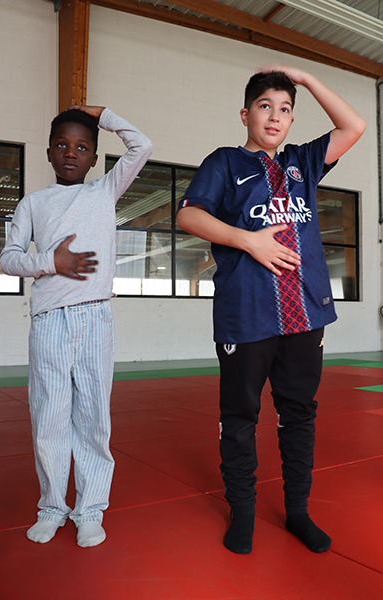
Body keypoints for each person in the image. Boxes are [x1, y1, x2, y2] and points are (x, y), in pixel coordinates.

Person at [176, 65, 365, 555]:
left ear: (292, 119)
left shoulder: (304, 162)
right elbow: (188, 214)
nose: (275, 116)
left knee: (299, 415)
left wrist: (306, 79)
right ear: (246, 115)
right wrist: (248, 241)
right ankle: (242, 512)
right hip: (247, 313)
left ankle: (297, 510)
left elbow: (354, 126)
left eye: (285, 109)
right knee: (240, 416)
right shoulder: (225, 162)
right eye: (265, 107)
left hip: (305, 314)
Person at [0, 105, 152, 547]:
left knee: (92, 419)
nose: (71, 153)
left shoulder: (105, 191)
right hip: (49, 320)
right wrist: (52, 261)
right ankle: (51, 507)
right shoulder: (33, 203)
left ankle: (89, 510)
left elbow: (142, 145)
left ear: (94, 157)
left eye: (82, 147)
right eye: (62, 145)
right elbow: (8, 259)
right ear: (48, 152)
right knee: (48, 418)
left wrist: (103, 114)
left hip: (94, 317)